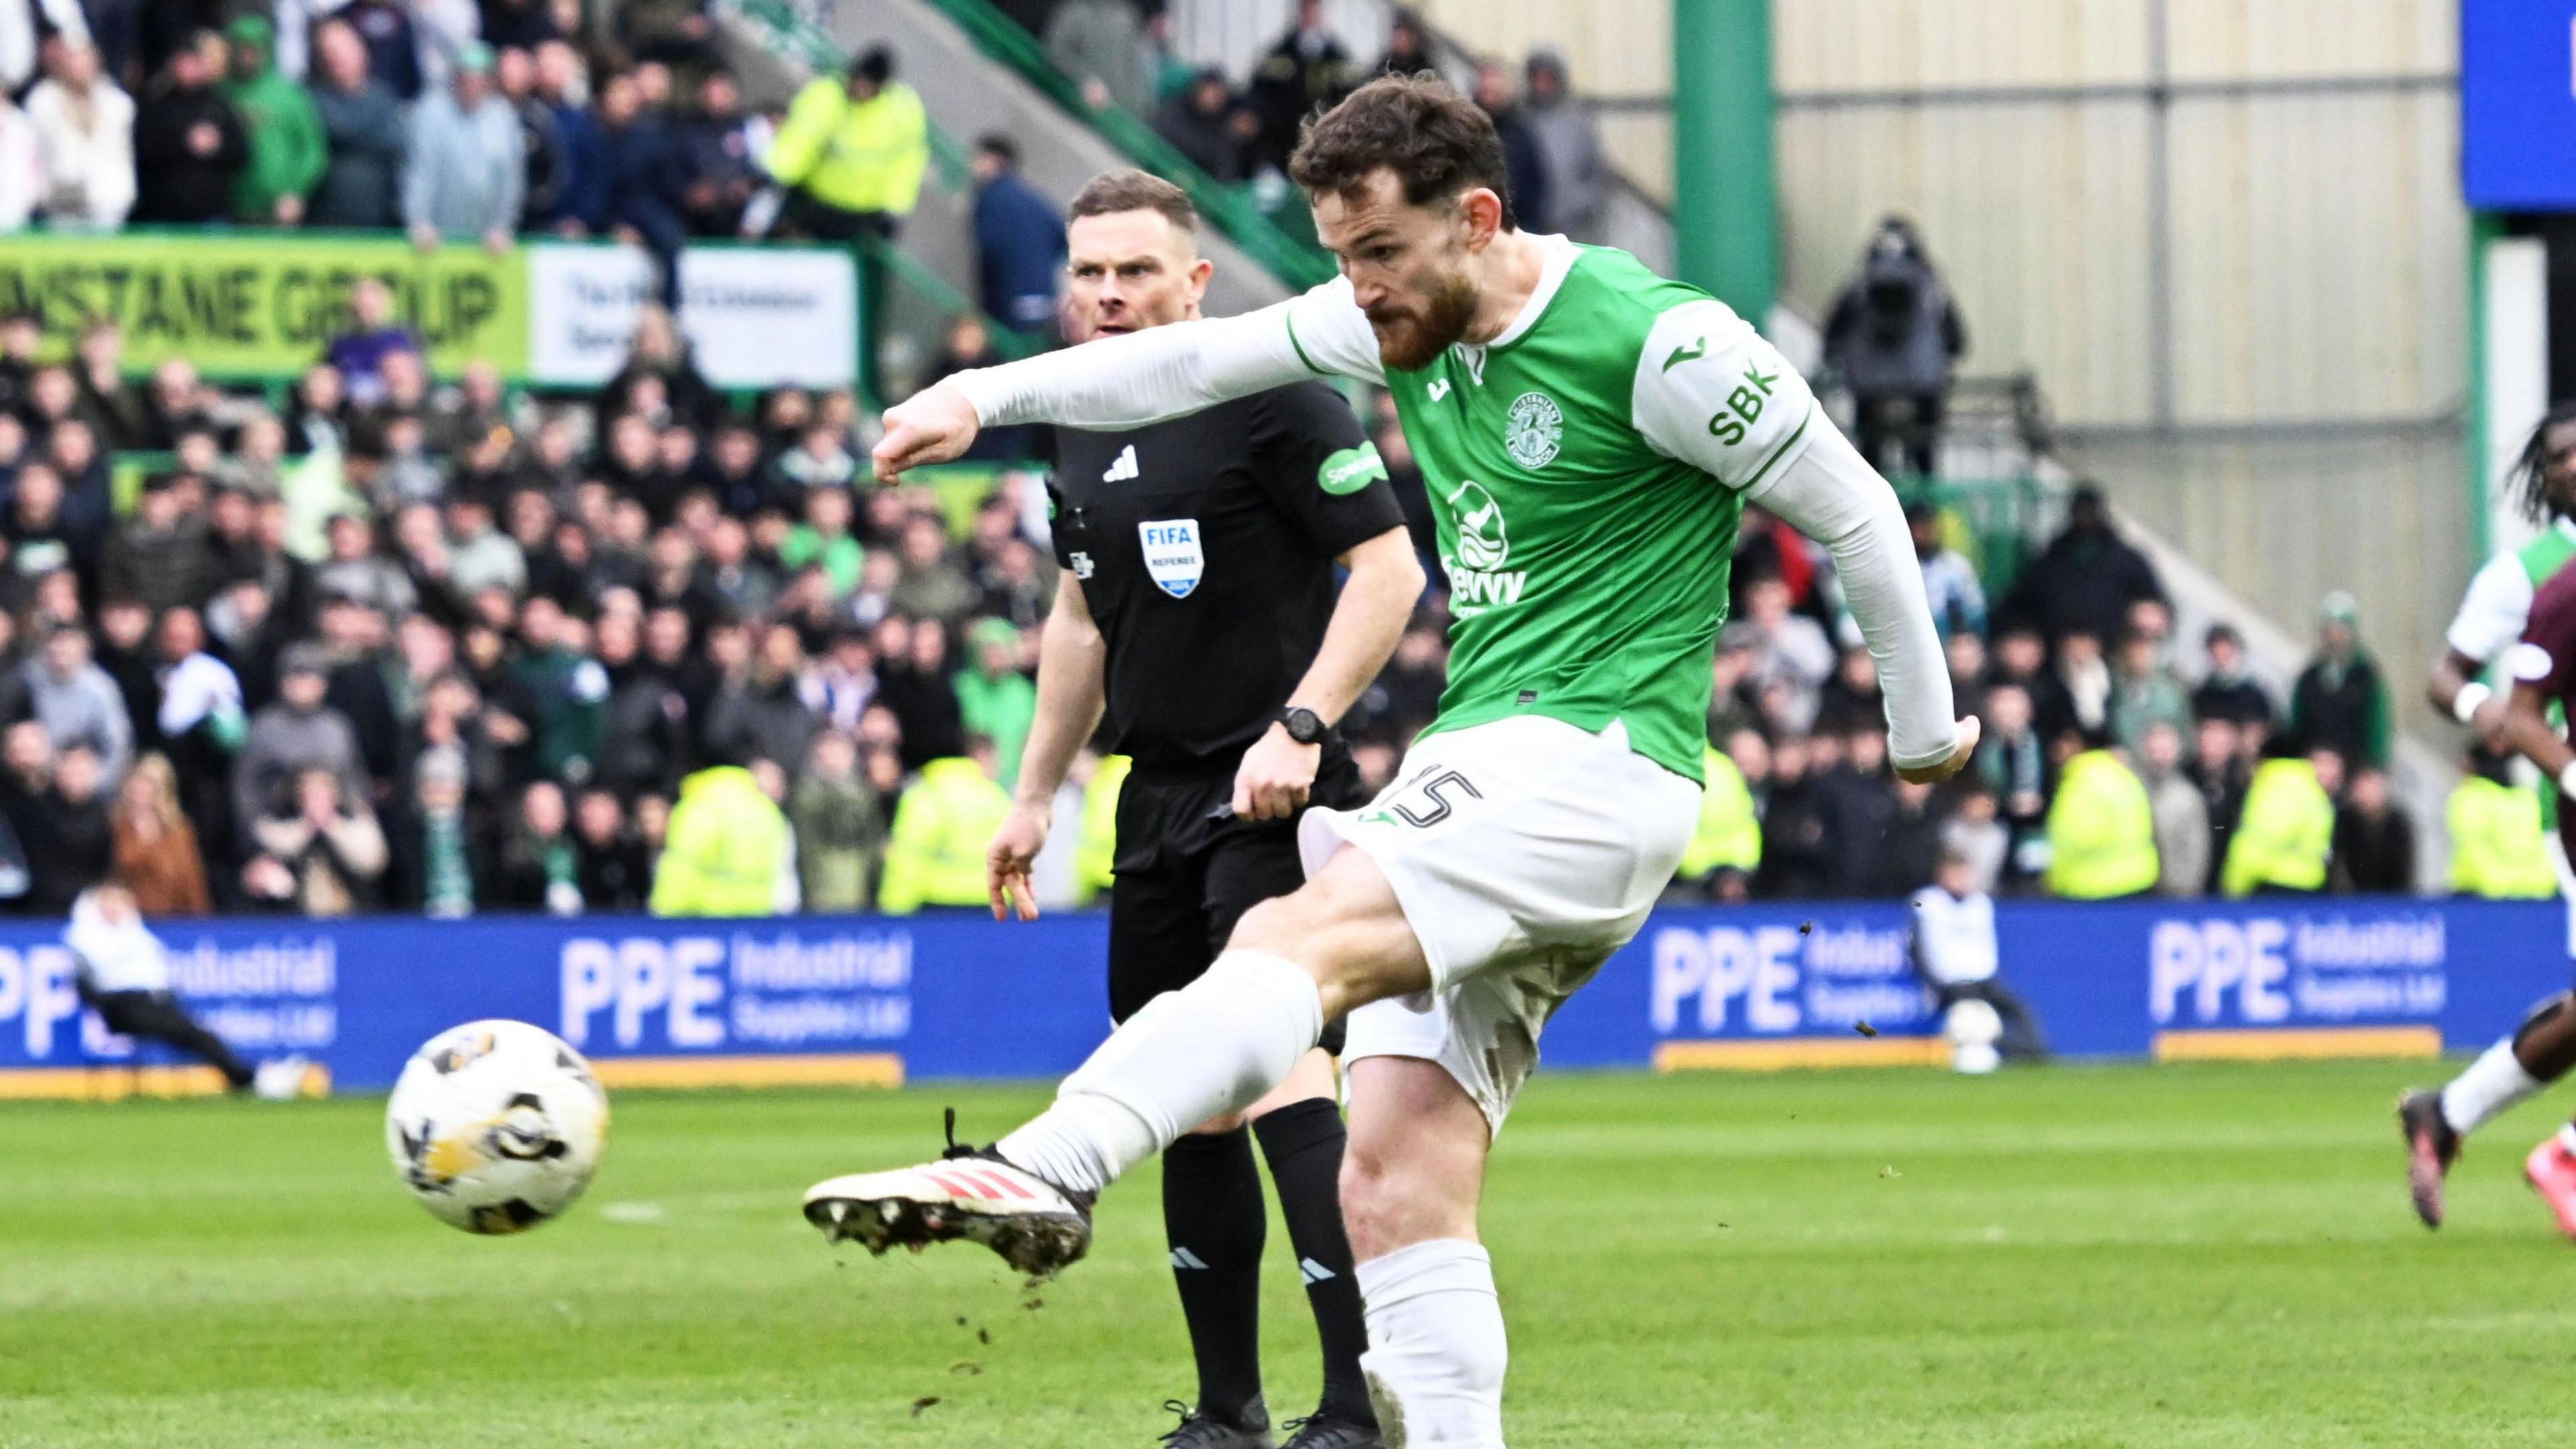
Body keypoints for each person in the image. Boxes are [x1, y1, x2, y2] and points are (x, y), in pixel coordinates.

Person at [807, 75, 1974, 1449]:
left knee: (1302, 932)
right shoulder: (1394, 322)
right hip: (1496, 751)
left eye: (1377, 255)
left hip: (1593, 762)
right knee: (1395, 1173)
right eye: (1338, 257)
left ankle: (1046, 1164)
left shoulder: (1661, 345)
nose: (1354, 291)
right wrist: (976, 395)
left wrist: (1922, 726)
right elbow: (1184, 365)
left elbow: (1857, 509)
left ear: (1477, 220)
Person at [975, 168, 1419, 1449]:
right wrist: (1037, 792)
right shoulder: (1069, 414)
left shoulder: (1275, 397)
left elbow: (1386, 572)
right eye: (1090, 274)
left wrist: (1305, 725)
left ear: (1196, 281)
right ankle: (1228, 1414)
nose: (1109, 296)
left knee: (1279, 1078)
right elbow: (1078, 617)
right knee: (1191, 1098)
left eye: (1136, 272)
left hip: (1271, 793)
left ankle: (1354, 1405)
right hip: (1155, 801)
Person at [2404, 402, 2576, 1226]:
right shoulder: (2527, 575)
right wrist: (2489, 713)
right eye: (2560, 455)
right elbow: (2446, 676)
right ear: (2542, 478)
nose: (2575, 463)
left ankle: (2449, 1114)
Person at [66, 883, 299, 1095]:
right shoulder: (88, 937)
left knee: (199, 1035)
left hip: (154, 1001)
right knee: (195, 1035)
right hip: (125, 1006)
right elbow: (91, 983)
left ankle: (248, 1076)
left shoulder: (133, 933)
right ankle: (248, 1079)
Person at [1822, 217, 1966, 477]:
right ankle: (1924, 510)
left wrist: (1835, 360)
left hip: (1869, 388)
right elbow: (1957, 340)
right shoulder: (1932, 288)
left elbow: (1832, 333)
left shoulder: (1859, 285)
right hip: (1922, 386)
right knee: (1924, 459)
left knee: (1870, 463)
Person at [763, 44, 925, 243]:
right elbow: (801, 140)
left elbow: (908, 161)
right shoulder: (826, 96)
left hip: (865, 215)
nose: (860, 91)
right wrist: (780, 175)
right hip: (814, 202)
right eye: (858, 82)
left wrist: (895, 207)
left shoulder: (903, 110)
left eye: (868, 86)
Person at [1909, 850, 2045, 1068]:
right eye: (1955, 874)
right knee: (1969, 1018)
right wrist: (1934, 983)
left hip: (1983, 981)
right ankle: (1977, 1048)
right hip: (1950, 984)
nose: (1961, 880)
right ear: (1942, 875)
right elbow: (1916, 947)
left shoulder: (1980, 903)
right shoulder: (1927, 902)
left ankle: (2028, 1050)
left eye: (1965, 874)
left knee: (2019, 1011)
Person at [1999, 484, 2163, 645]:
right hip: (2056, 656)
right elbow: (2018, 604)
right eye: (2080, 512)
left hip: (2113, 652)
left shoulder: (2127, 561)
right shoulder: (2050, 562)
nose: (2085, 519)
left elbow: (2156, 604)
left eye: (2089, 512)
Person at [402, 41, 523, 250]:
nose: (471, 85)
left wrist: (502, 226)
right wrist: (419, 222)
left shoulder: (504, 117)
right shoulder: (430, 112)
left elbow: (510, 177)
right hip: (434, 238)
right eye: (465, 78)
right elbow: (420, 172)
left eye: (479, 78)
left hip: (487, 242)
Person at [649, 749, 794, 916]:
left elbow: (682, 866)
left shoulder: (698, 806)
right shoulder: (767, 810)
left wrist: (662, 913)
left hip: (707, 919)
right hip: (758, 918)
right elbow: (782, 869)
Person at [878, 737, 1012, 914]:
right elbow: (1014, 860)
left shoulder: (923, 797)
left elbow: (907, 862)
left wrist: (894, 911)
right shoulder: (997, 797)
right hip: (991, 905)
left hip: (937, 906)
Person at [129, 34, 248, 224]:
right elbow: (144, 151)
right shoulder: (156, 105)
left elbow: (241, 153)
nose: (188, 68)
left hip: (212, 213)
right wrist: (184, 143)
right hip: (162, 213)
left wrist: (217, 145)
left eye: (194, 62)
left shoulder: (218, 105)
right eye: (184, 61)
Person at [217, 15, 322, 225]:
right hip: (229, 209)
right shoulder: (220, 94)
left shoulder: (290, 96)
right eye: (241, 49)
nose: (246, 56)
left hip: (281, 211)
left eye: (252, 49)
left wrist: (296, 191)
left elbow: (313, 151)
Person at [304, 17, 405, 228]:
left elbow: (396, 147)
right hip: (325, 220)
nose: (334, 57)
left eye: (341, 49)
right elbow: (335, 129)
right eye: (327, 51)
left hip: (379, 219)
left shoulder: (384, 98)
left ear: (362, 51)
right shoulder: (310, 99)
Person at [24, 42, 133, 227]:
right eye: (73, 62)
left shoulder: (116, 102)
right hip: (60, 197)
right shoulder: (43, 100)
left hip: (105, 198)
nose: (79, 69)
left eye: (84, 62)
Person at [970, 134, 1067, 339]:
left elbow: (989, 247)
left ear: (994, 161)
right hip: (1045, 301)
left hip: (1008, 303)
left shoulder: (990, 199)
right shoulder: (1030, 197)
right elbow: (1063, 235)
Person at [1246, 0, 1358, 175]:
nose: (1310, 15)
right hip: (1282, 144)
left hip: (1326, 140)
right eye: (1306, 9)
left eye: (1315, 9)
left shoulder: (1338, 56)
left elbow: (1351, 94)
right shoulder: (1279, 52)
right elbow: (1260, 91)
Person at [2042, 735, 2157, 900]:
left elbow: (2079, 836)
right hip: (2138, 878)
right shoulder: (2125, 776)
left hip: (2093, 886)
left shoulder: (2080, 783)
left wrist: (2051, 872)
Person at [2286, 590, 2390, 769]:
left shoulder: (2366, 676)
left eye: (2340, 631)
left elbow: (2377, 727)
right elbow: (2297, 724)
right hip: (2313, 769)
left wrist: (2372, 767)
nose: (2334, 638)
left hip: (2354, 769)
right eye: (2329, 631)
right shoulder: (2310, 676)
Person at [2220, 741, 2337, 898]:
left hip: (2271, 886)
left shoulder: (2272, 788)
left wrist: (2233, 887)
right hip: (2311, 885)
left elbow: (2256, 845)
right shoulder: (2313, 791)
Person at [1519, 50, 1601, 241]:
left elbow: (1594, 173)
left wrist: (1580, 203)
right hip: (1529, 225)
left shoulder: (1578, 122)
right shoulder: (1521, 119)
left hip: (1571, 226)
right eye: (1537, 78)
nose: (1542, 86)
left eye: (1548, 78)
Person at [2333, 765, 2414, 894]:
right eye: (2362, 789)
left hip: (2388, 897)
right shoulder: (2345, 820)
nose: (2366, 795)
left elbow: (2403, 868)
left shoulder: (2397, 822)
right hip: (2352, 897)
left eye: (2372, 789)